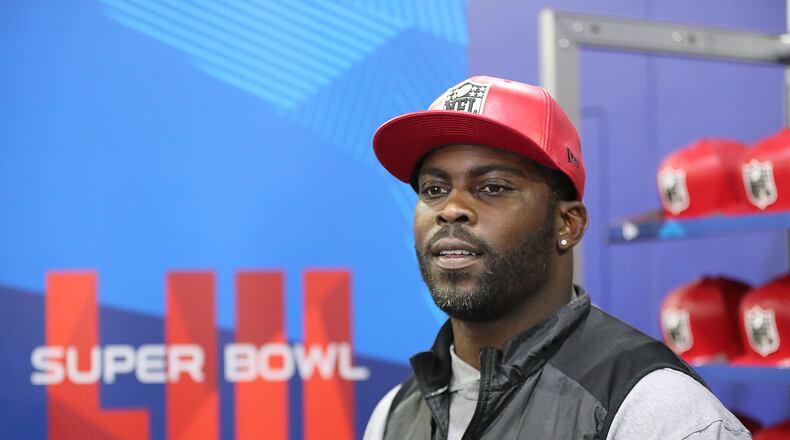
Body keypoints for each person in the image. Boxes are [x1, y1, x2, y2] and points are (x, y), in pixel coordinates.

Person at [364, 76, 750, 439]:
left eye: (492, 187)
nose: (451, 209)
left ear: (568, 224)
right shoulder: (393, 414)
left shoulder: (657, 410)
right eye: (433, 189)